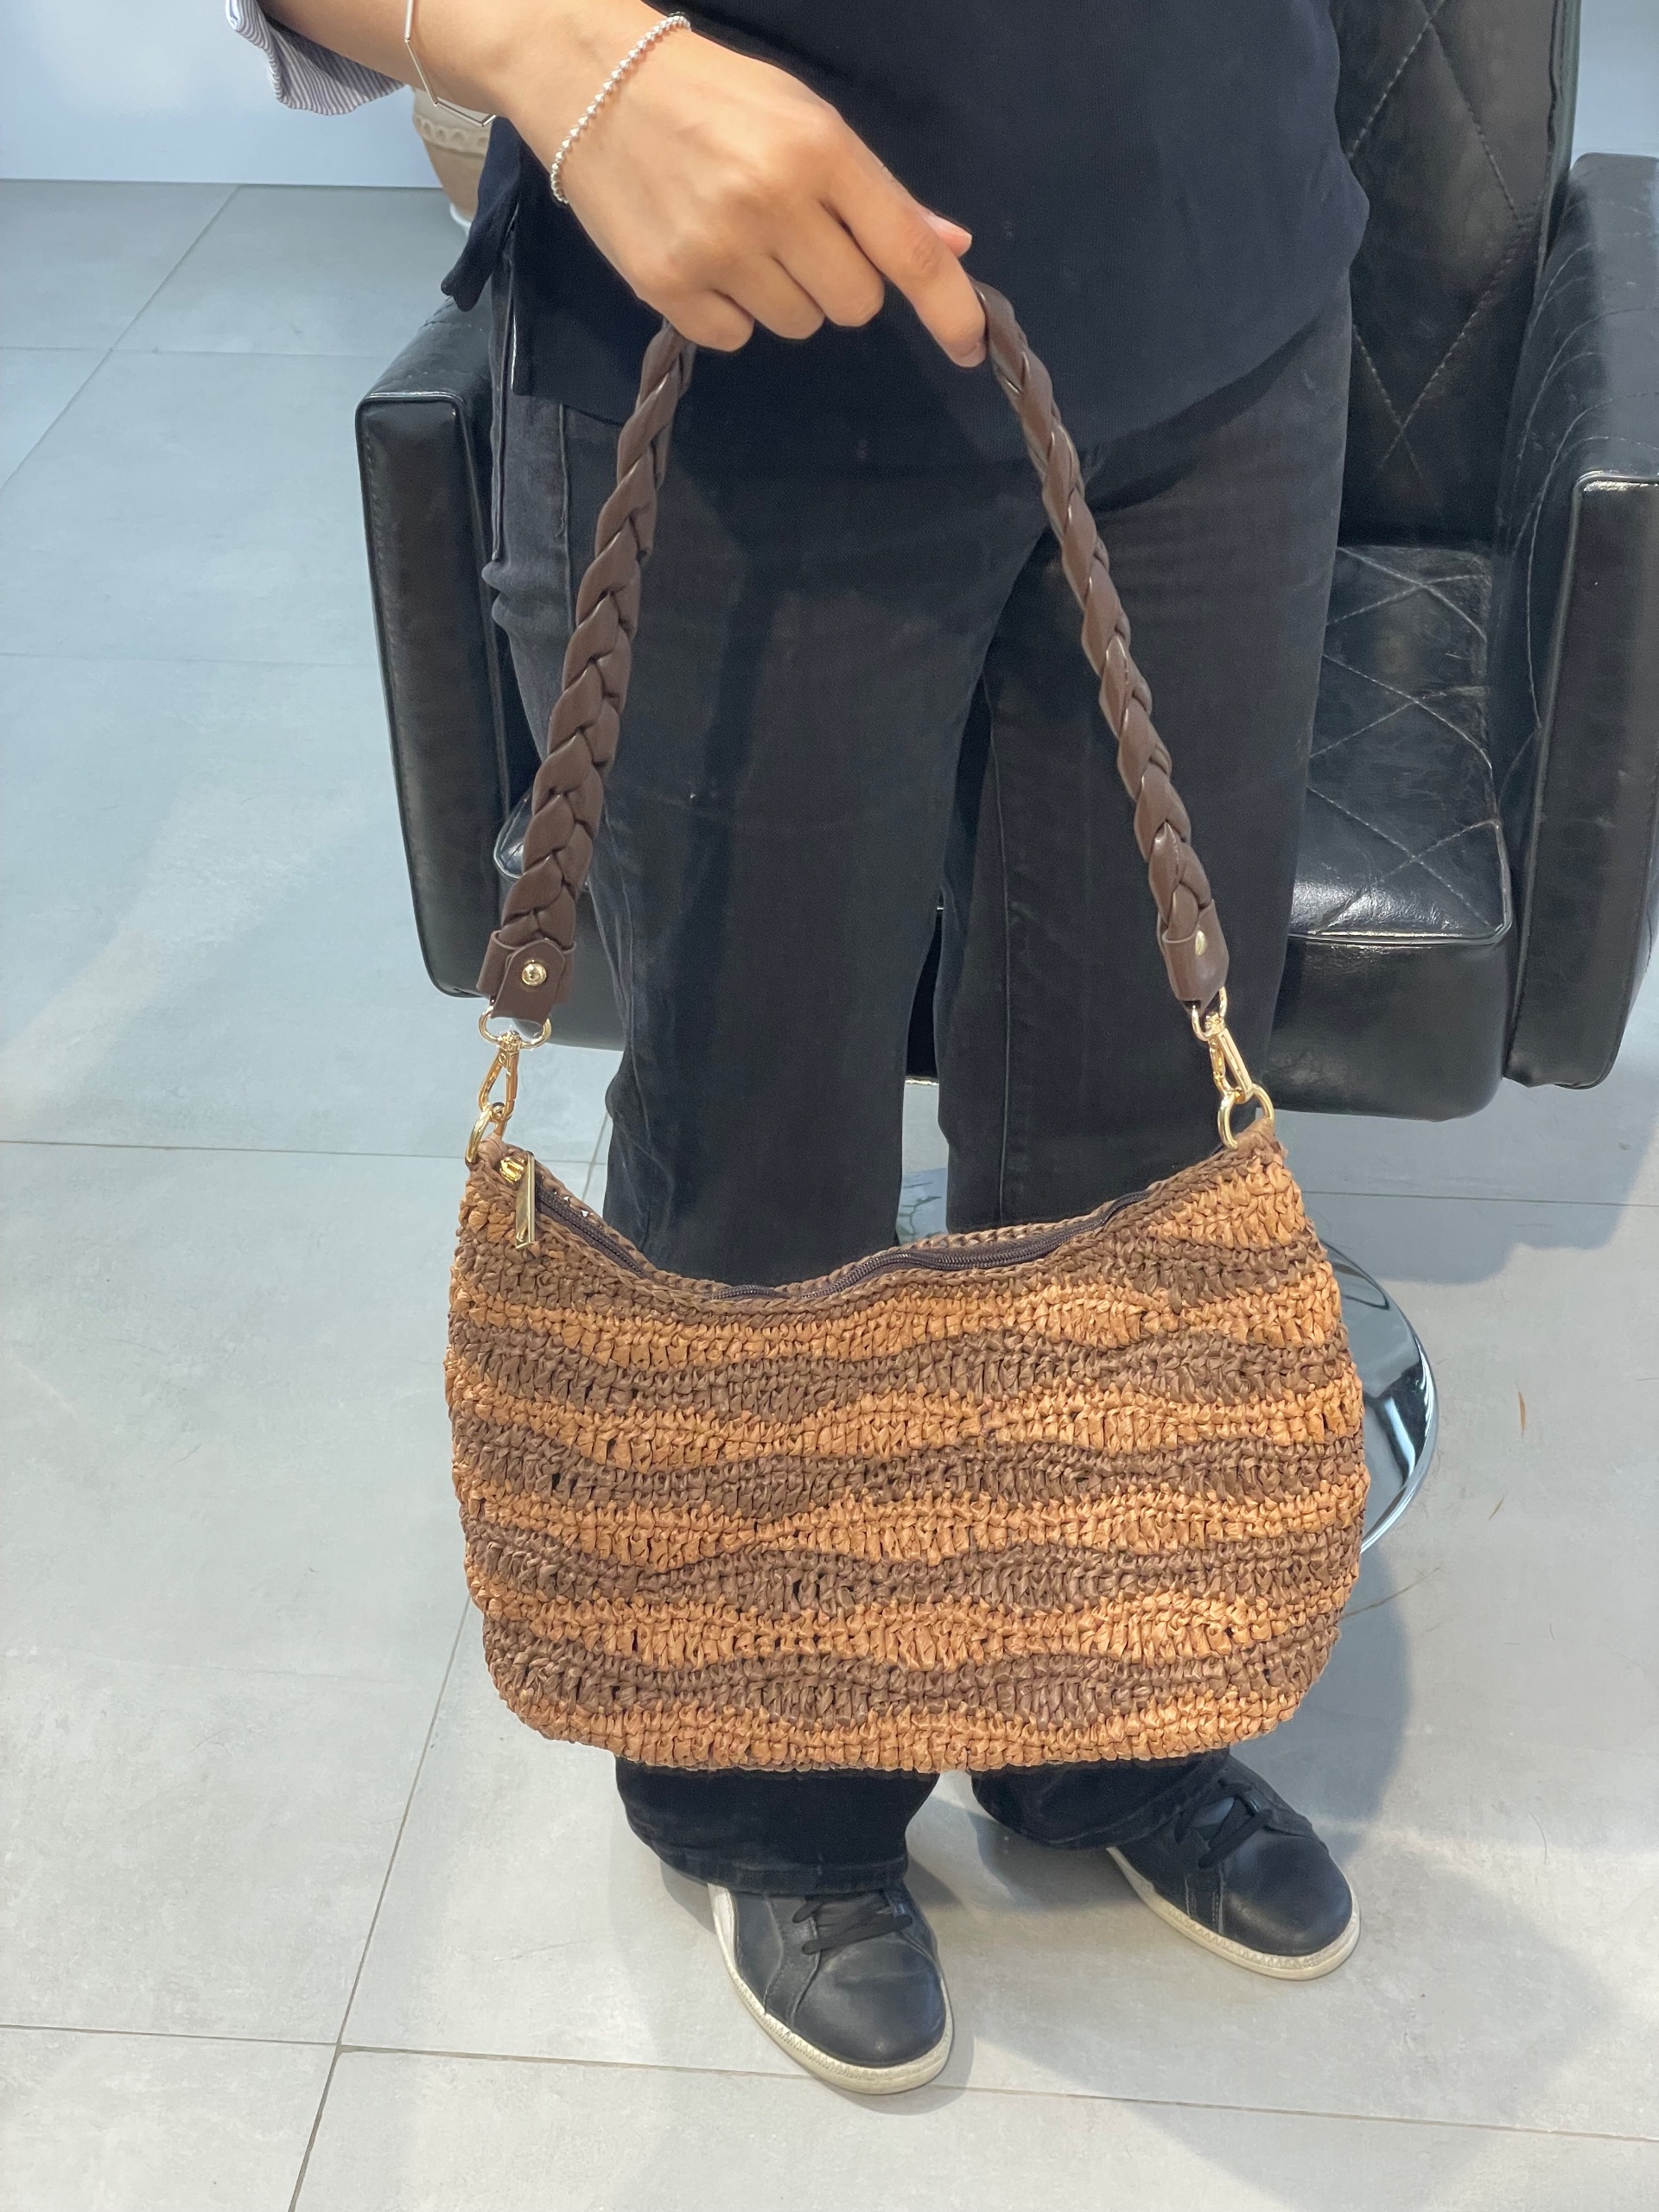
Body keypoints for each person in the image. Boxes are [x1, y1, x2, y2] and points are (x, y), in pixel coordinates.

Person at [236, 0, 1370, 2095]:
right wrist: (555, 54)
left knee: (1140, 1114)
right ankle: (770, 1787)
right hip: (743, 372)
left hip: (1222, 282)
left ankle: (1103, 1708)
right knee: (756, 1142)